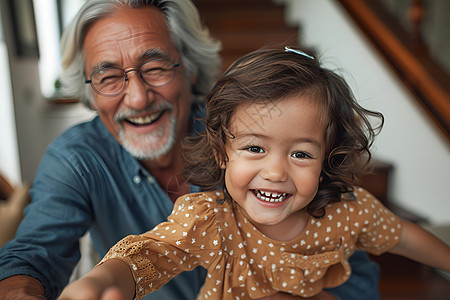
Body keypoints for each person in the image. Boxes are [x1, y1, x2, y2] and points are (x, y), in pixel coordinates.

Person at [0, 1, 380, 299]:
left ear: (190, 69)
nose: (137, 98)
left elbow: (354, 270)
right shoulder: (76, 159)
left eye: (155, 67)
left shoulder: (258, 138)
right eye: (109, 76)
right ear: (89, 90)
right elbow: (35, 253)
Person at [57, 47, 450, 300]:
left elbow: (402, 236)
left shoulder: (347, 213)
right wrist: (103, 282)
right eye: (255, 148)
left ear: (327, 159)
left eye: (300, 153)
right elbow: (153, 254)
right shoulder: (210, 219)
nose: (276, 171)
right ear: (221, 152)